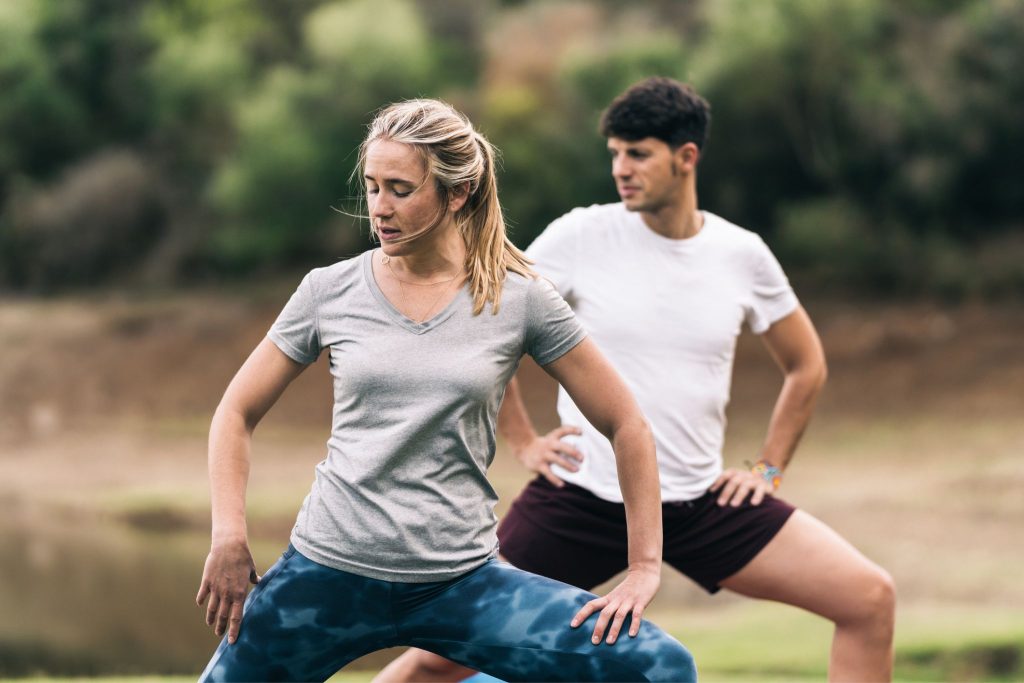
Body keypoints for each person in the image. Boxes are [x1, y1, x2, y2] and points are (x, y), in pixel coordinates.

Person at [378, 78, 896, 683]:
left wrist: (767, 470)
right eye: (615, 153)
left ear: (687, 157)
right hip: (582, 502)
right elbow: (486, 326)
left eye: (638, 153)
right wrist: (523, 441)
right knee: (437, 658)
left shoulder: (742, 254)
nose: (621, 168)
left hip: (702, 504)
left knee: (869, 599)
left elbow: (806, 365)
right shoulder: (581, 235)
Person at [194, 98, 696, 683]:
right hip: (325, 576)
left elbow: (627, 423)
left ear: (456, 194)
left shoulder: (520, 298)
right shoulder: (328, 291)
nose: (379, 209)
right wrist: (229, 535)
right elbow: (236, 410)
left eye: (401, 190)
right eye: (372, 187)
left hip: (462, 585)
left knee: (660, 669)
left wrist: (643, 567)